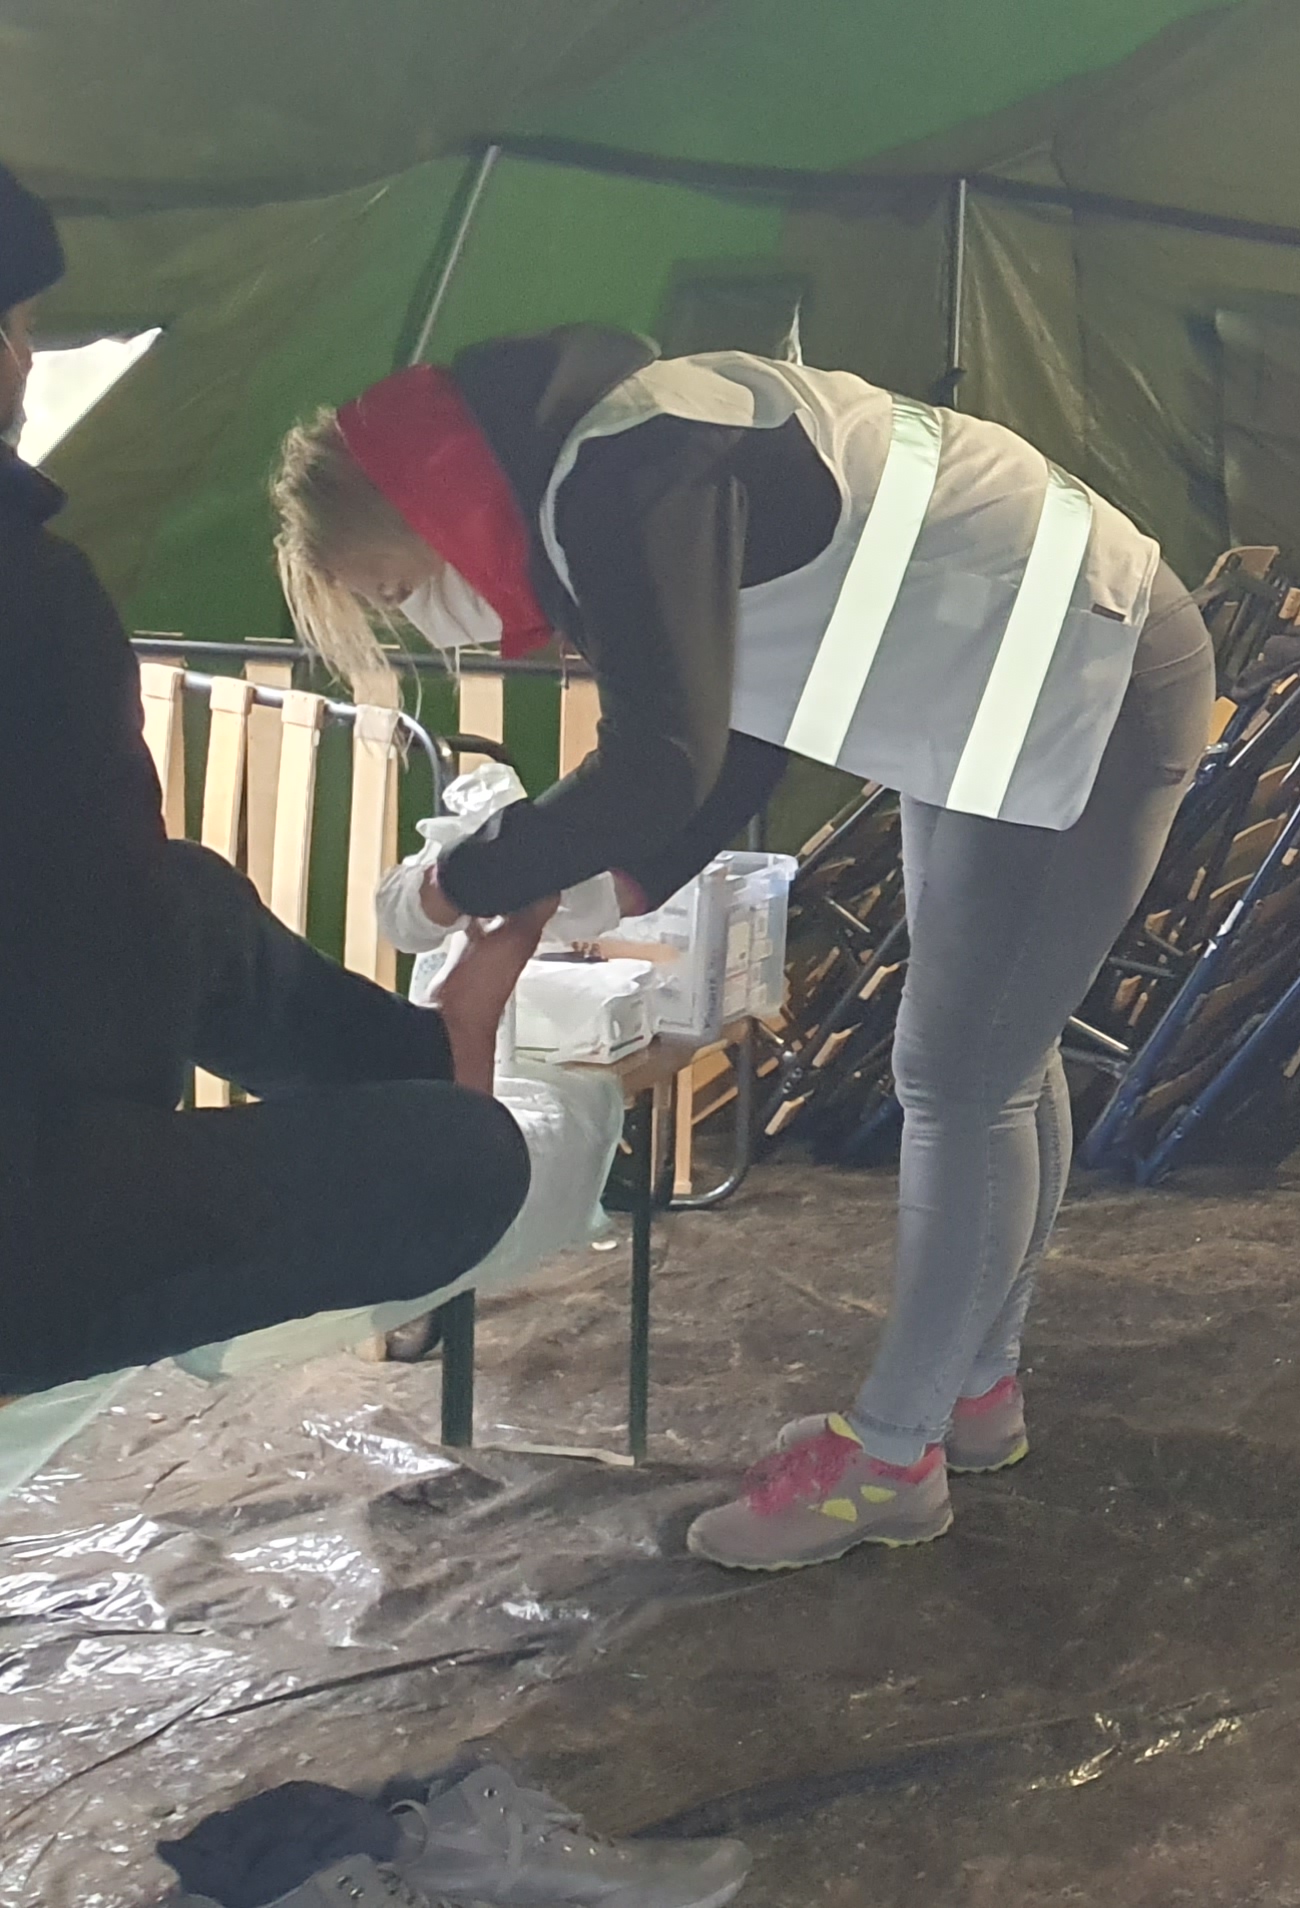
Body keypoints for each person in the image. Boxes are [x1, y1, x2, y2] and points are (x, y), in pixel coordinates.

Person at [270, 324, 1215, 1571]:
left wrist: (461, 882)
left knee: (960, 1074)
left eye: (399, 591)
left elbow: (668, 759)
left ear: (433, 501)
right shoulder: (619, 455)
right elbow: (749, 723)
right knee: (992, 1055)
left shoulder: (623, 472)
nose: (434, 628)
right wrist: (596, 886)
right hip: (1012, 674)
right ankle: (971, 1391)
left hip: (1079, 673)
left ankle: (893, 1462)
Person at [0, 156, 539, 1400]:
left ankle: (425, 1047)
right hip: (26, 1222)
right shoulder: (33, 599)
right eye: (17, 326)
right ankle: (436, 1072)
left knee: (183, 895)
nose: (24, 365)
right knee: (467, 1160)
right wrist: (150, 1167)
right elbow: (97, 973)